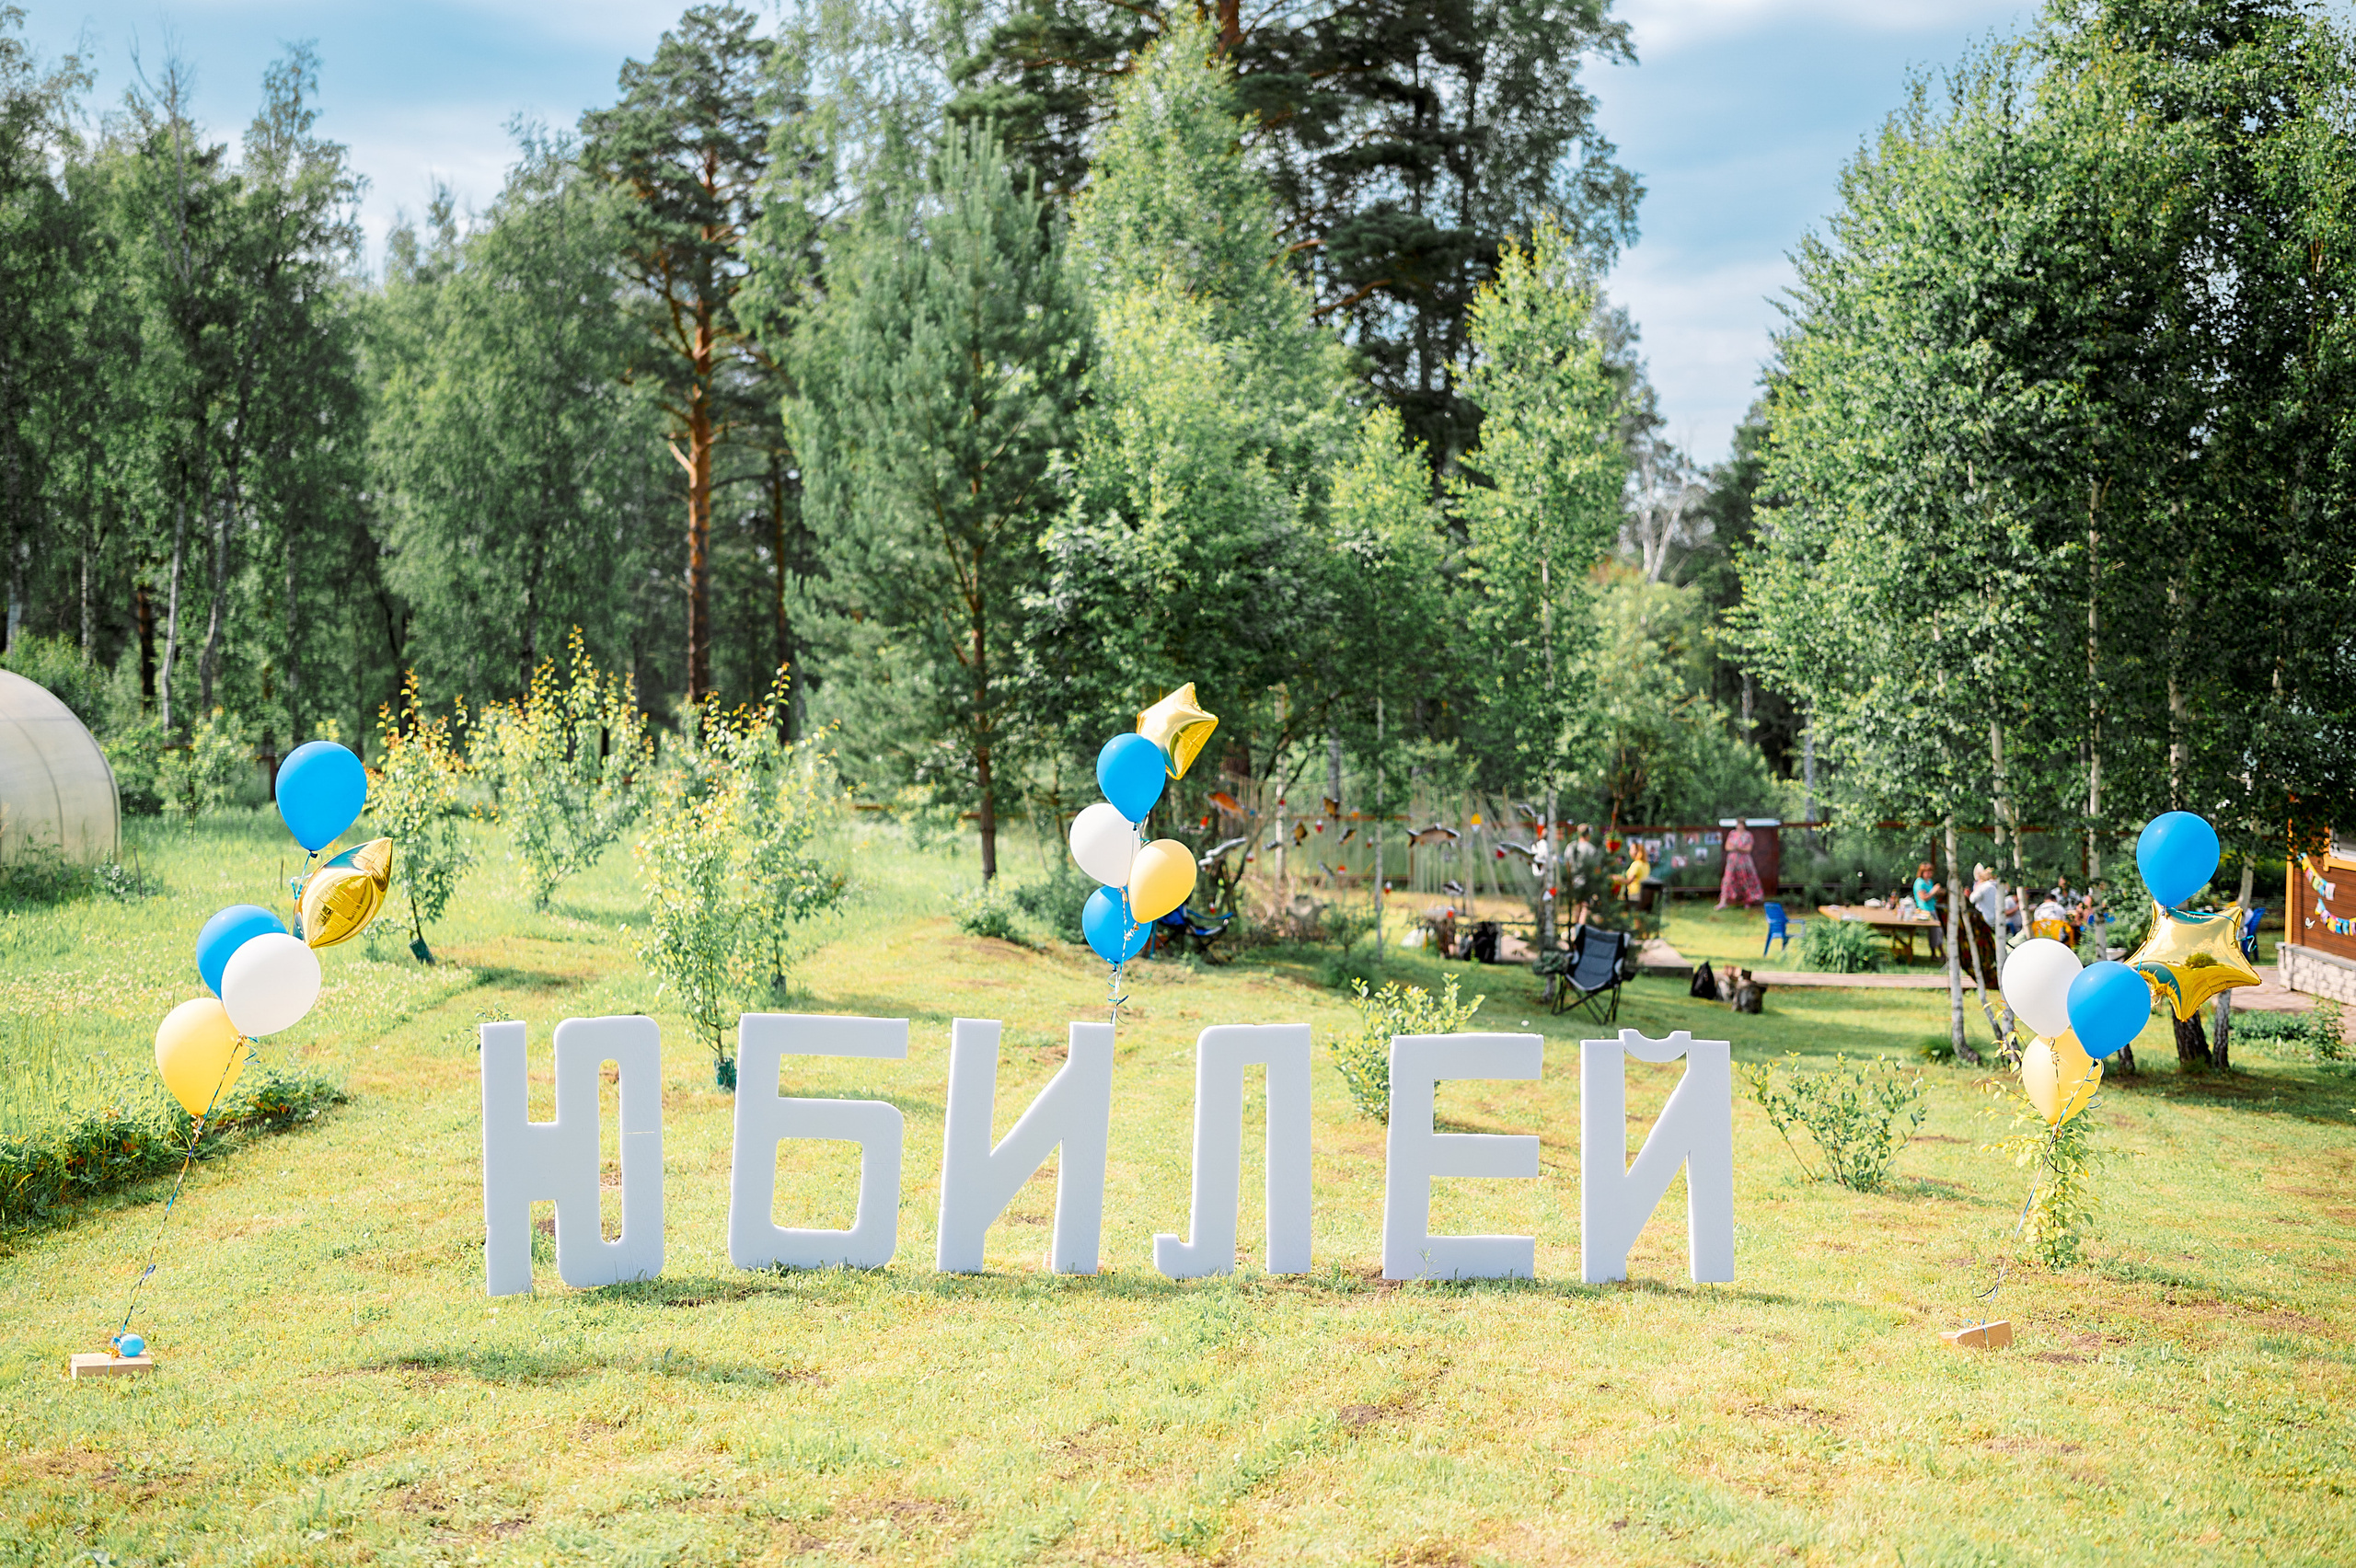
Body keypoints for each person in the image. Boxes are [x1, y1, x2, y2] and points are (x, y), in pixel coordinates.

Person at [1717, 824, 1762, 909]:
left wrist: (1738, 848)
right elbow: (1727, 847)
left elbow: (1748, 849)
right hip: (1732, 861)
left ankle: (1748, 901)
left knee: (1746, 880)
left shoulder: (1748, 835)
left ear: (1744, 825)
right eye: (1738, 825)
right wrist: (1736, 848)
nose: (1739, 827)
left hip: (1744, 861)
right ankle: (1723, 902)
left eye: (1741, 825)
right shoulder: (1732, 833)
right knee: (1728, 879)